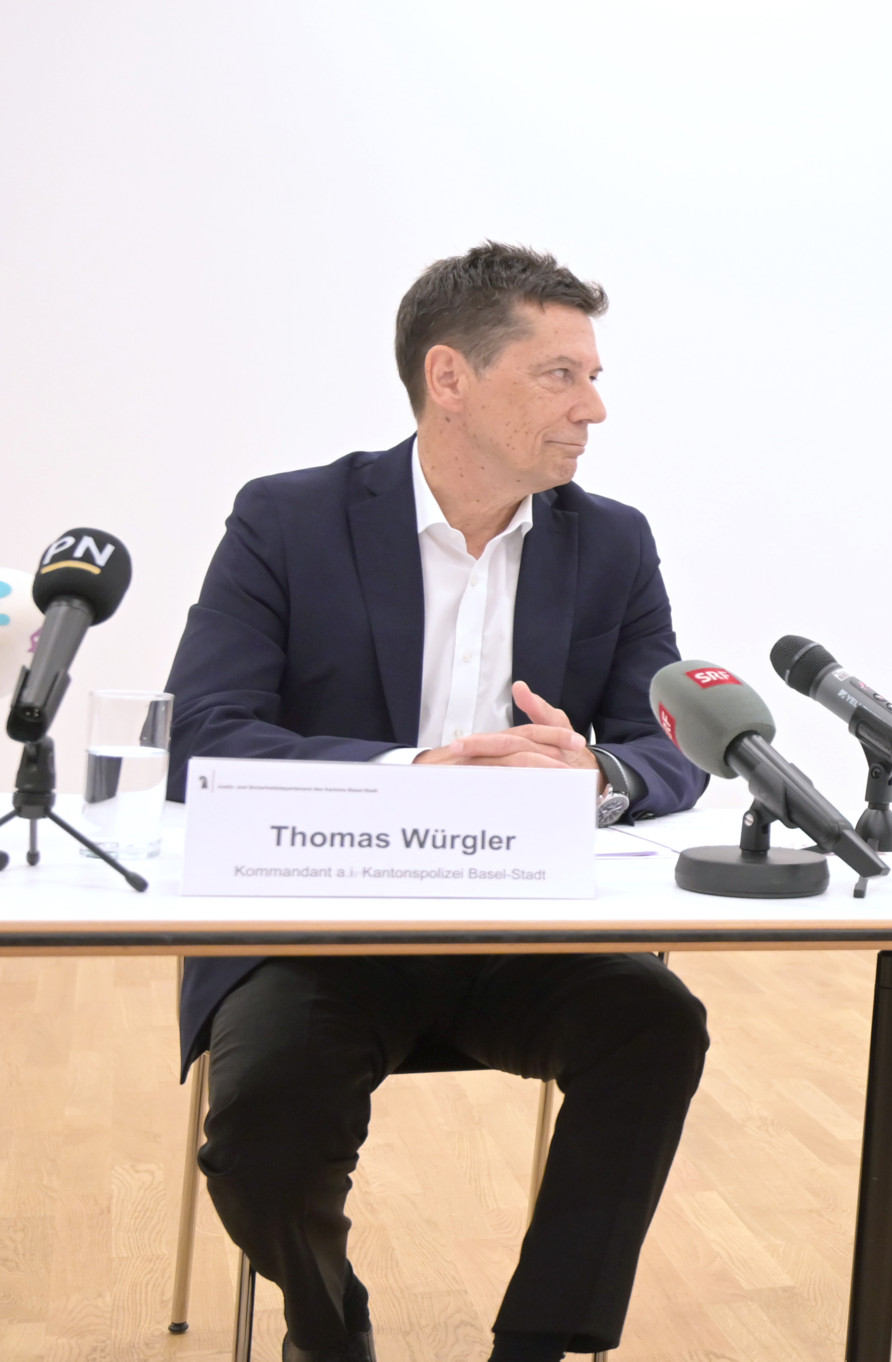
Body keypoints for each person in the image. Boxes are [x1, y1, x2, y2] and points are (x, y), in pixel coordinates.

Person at [164, 242, 710, 1362]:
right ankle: (328, 1320)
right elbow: (202, 736)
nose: (593, 408)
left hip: (524, 930)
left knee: (657, 1026)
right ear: (450, 378)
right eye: (560, 375)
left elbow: (674, 745)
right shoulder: (288, 520)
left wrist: (597, 775)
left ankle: (537, 1344)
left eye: (593, 376)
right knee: (264, 1125)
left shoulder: (611, 542)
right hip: (322, 929)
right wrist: (414, 776)